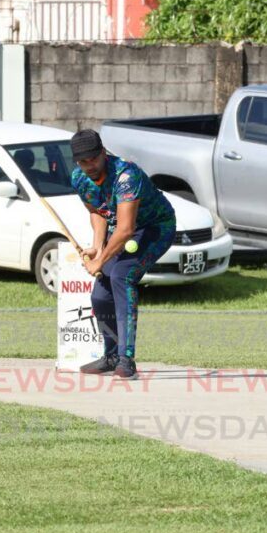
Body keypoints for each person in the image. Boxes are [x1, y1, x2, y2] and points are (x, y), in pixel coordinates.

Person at [68, 129, 176, 380]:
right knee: (100, 294)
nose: (89, 166)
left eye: (93, 159)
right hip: (122, 233)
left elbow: (126, 228)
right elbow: (97, 211)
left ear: (103, 153)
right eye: (83, 162)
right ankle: (111, 355)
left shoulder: (127, 175)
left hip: (155, 228)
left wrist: (99, 260)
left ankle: (126, 360)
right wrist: (96, 245)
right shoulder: (79, 178)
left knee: (121, 276)